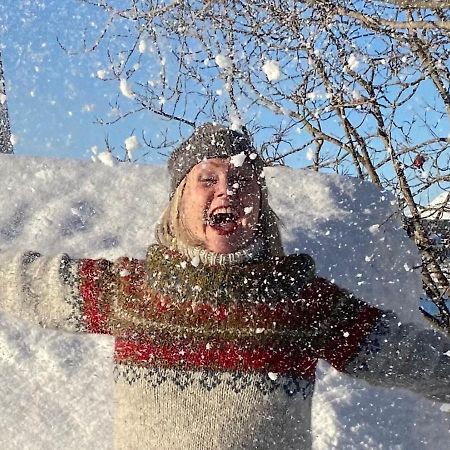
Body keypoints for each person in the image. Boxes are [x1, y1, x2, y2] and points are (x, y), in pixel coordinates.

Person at [0, 123, 449, 450]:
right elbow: (30, 283)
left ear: (260, 200)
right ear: (180, 199)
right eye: (208, 179)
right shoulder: (133, 291)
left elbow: (407, 355)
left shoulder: (300, 301)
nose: (227, 191)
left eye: (241, 179)